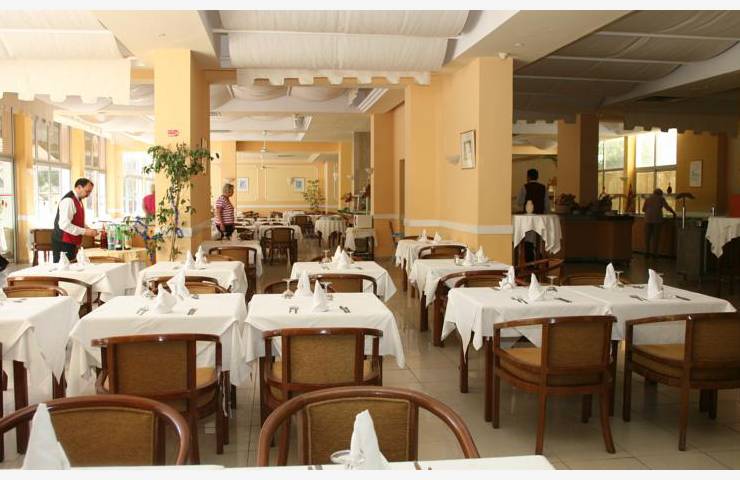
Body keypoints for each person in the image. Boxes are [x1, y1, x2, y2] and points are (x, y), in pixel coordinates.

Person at [52, 178, 98, 262]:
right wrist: (85, 231)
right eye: (87, 191)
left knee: (72, 266)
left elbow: (77, 220)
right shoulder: (68, 200)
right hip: (63, 242)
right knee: (63, 268)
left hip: (71, 241)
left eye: (90, 192)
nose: (88, 195)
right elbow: (64, 225)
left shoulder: (78, 200)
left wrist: (87, 228)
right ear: (79, 187)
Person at [516, 169, 551, 262]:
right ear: (537, 177)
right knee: (539, 241)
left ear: (528, 177)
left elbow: (519, 202)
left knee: (528, 240)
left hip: (528, 219)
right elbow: (547, 205)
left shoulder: (524, 187)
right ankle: (540, 260)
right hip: (540, 219)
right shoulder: (543, 188)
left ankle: (529, 261)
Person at [642, 188, 676, 259]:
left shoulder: (648, 199)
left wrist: (650, 210)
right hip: (657, 220)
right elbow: (667, 207)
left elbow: (643, 209)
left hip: (647, 219)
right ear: (660, 194)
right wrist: (673, 212)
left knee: (647, 238)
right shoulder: (661, 199)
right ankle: (654, 254)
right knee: (656, 238)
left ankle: (646, 253)